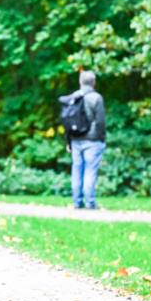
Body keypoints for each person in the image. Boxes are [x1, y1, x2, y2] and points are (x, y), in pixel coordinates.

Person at [64, 70, 107, 209]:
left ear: (80, 82)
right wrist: (101, 138)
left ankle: (77, 202)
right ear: (94, 82)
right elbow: (100, 121)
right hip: (93, 140)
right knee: (90, 170)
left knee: (76, 170)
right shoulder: (96, 98)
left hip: (76, 140)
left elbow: (67, 121)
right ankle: (90, 203)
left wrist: (68, 141)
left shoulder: (73, 97)